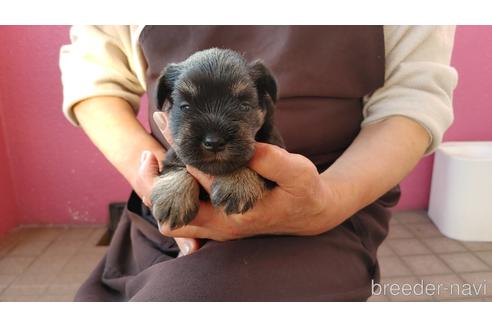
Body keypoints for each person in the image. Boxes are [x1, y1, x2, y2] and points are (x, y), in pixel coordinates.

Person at [59, 25, 457, 301]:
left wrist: (329, 201)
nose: (214, 136)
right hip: (166, 207)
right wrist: (158, 179)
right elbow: (94, 77)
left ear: (266, 100)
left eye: (241, 102)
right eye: (187, 104)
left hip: (332, 199)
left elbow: (414, 96)